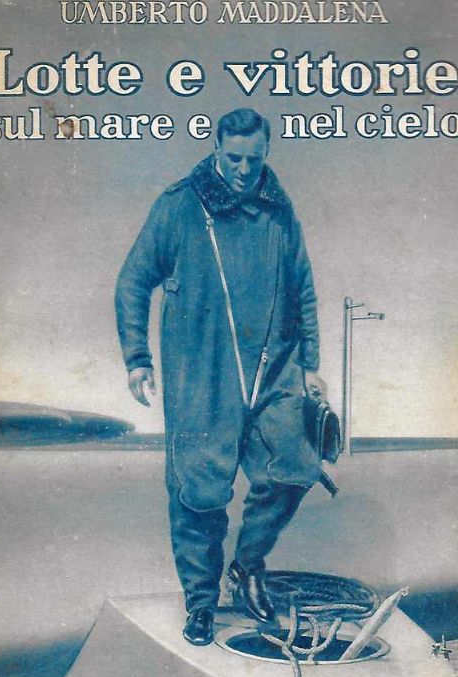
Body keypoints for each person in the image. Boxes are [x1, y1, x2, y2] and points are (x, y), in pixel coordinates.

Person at [115, 108, 326, 646]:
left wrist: (311, 365)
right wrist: (138, 357)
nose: (243, 170)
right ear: (216, 147)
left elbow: (302, 286)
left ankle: (248, 565)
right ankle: (201, 603)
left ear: (266, 154)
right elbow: (134, 282)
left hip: (274, 370)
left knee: (296, 466)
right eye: (234, 158)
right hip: (200, 374)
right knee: (200, 493)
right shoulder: (179, 206)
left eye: (254, 159)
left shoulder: (279, 211)